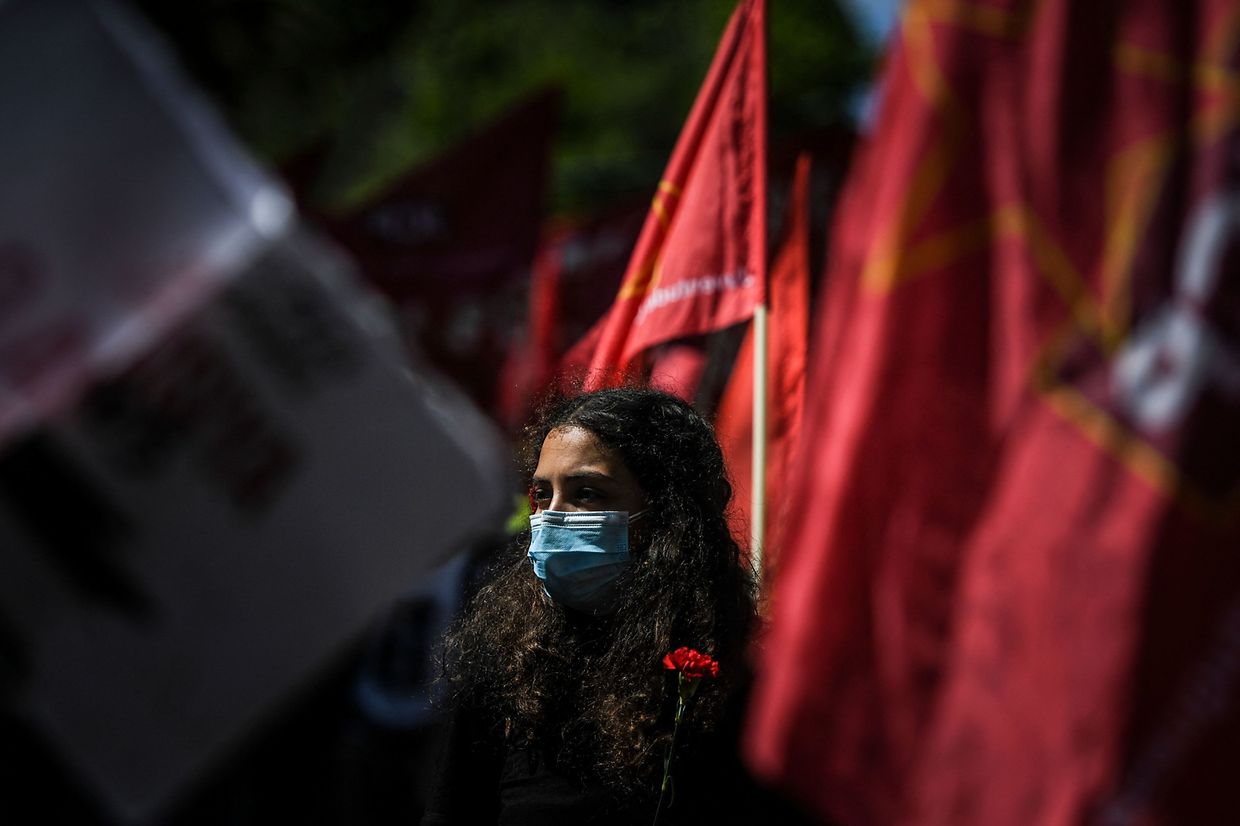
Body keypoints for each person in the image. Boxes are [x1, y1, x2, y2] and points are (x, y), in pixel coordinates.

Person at [420, 386, 771, 825]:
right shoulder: (506, 662)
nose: (552, 517)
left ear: (669, 512)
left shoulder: (741, 673)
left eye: (587, 493)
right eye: (542, 495)